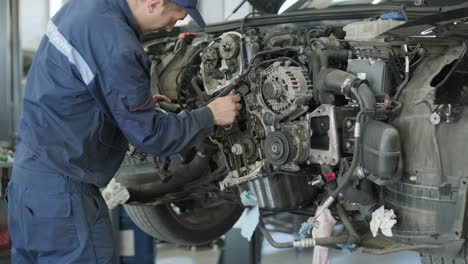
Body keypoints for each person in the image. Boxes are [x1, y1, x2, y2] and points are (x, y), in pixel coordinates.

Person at [6, 0, 241, 263]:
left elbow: (80, 89)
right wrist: (210, 115)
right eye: (174, 19)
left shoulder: (84, 8)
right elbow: (152, 136)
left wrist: (131, 108)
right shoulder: (119, 46)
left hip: (29, 182)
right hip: (65, 199)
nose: (170, 27)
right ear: (155, 3)